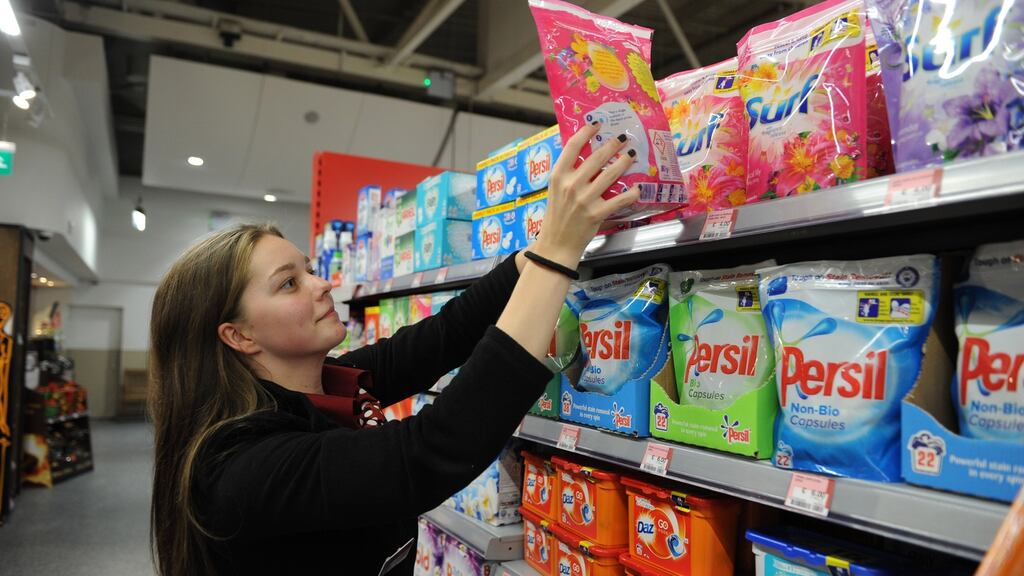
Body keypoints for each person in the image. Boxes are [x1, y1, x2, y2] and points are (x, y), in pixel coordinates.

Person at [148, 123, 640, 575]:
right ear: (239, 336)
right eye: (288, 284)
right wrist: (557, 253)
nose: (322, 286)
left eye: (309, 269)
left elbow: (446, 334)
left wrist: (542, 242)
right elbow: (435, 450)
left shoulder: (327, 384)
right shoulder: (243, 466)